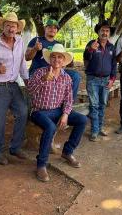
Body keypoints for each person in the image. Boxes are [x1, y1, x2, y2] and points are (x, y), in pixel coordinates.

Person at [28, 43, 87, 182]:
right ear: (50, 59)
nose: (56, 60)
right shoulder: (40, 72)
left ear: (63, 61)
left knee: (82, 120)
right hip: (39, 111)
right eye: (53, 57)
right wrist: (43, 80)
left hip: (58, 111)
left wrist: (66, 114)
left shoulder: (66, 78)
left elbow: (69, 99)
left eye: (59, 57)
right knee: (50, 127)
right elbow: (30, 91)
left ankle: (67, 152)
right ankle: (41, 164)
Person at [0, 12, 29, 165]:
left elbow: (22, 63)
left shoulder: (20, 42)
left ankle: (15, 147)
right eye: (7, 25)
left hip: (14, 85)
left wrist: (27, 82)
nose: (11, 28)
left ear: (17, 28)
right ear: (3, 27)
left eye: (13, 25)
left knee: (23, 112)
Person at [25, 19, 81, 100]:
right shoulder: (36, 40)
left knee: (75, 75)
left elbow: (62, 63)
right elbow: (27, 58)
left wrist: (66, 64)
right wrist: (35, 49)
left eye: (55, 28)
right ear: (45, 28)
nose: (52, 29)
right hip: (38, 71)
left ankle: (69, 102)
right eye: (50, 27)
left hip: (55, 71)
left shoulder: (58, 44)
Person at [83, 20, 117, 141]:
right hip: (93, 80)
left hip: (106, 80)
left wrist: (112, 79)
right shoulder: (91, 43)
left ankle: (100, 127)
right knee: (94, 105)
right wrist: (91, 50)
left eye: (107, 31)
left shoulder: (112, 47)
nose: (105, 33)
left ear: (109, 33)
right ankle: (94, 130)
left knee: (102, 104)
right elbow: (86, 59)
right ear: (98, 31)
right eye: (102, 30)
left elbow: (114, 65)